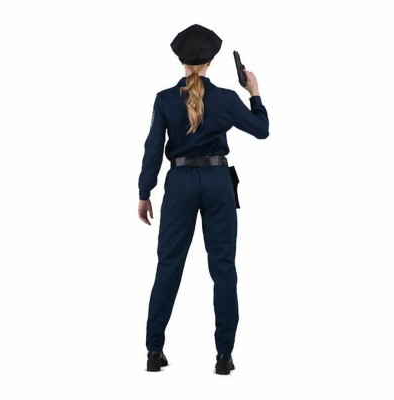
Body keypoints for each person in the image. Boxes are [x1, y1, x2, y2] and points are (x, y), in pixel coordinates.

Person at [138, 24, 269, 375]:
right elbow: (262, 130)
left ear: (180, 60)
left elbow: (153, 150)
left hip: (179, 182)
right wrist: (254, 92)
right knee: (223, 267)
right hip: (217, 182)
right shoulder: (226, 98)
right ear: (211, 61)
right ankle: (224, 357)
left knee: (168, 265)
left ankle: (154, 352)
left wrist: (144, 192)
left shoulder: (165, 99)